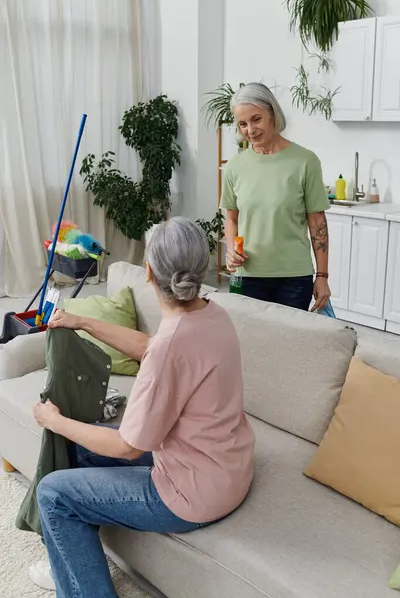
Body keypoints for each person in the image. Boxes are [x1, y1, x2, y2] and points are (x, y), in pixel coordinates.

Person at [30, 217, 255, 597]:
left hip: (190, 495)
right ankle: (70, 558)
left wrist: (55, 419)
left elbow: (128, 446)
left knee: (54, 494)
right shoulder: (212, 314)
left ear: (148, 271)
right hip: (229, 470)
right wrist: (83, 321)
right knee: (80, 449)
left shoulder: (172, 346)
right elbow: (152, 347)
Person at [222, 82, 331, 312]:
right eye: (243, 124)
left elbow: (317, 222)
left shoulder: (305, 162)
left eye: (256, 119)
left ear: (272, 114)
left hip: (293, 279)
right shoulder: (235, 167)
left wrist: (322, 276)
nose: (250, 130)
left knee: (288, 345)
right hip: (247, 276)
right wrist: (231, 249)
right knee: (247, 344)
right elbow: (231, 218)